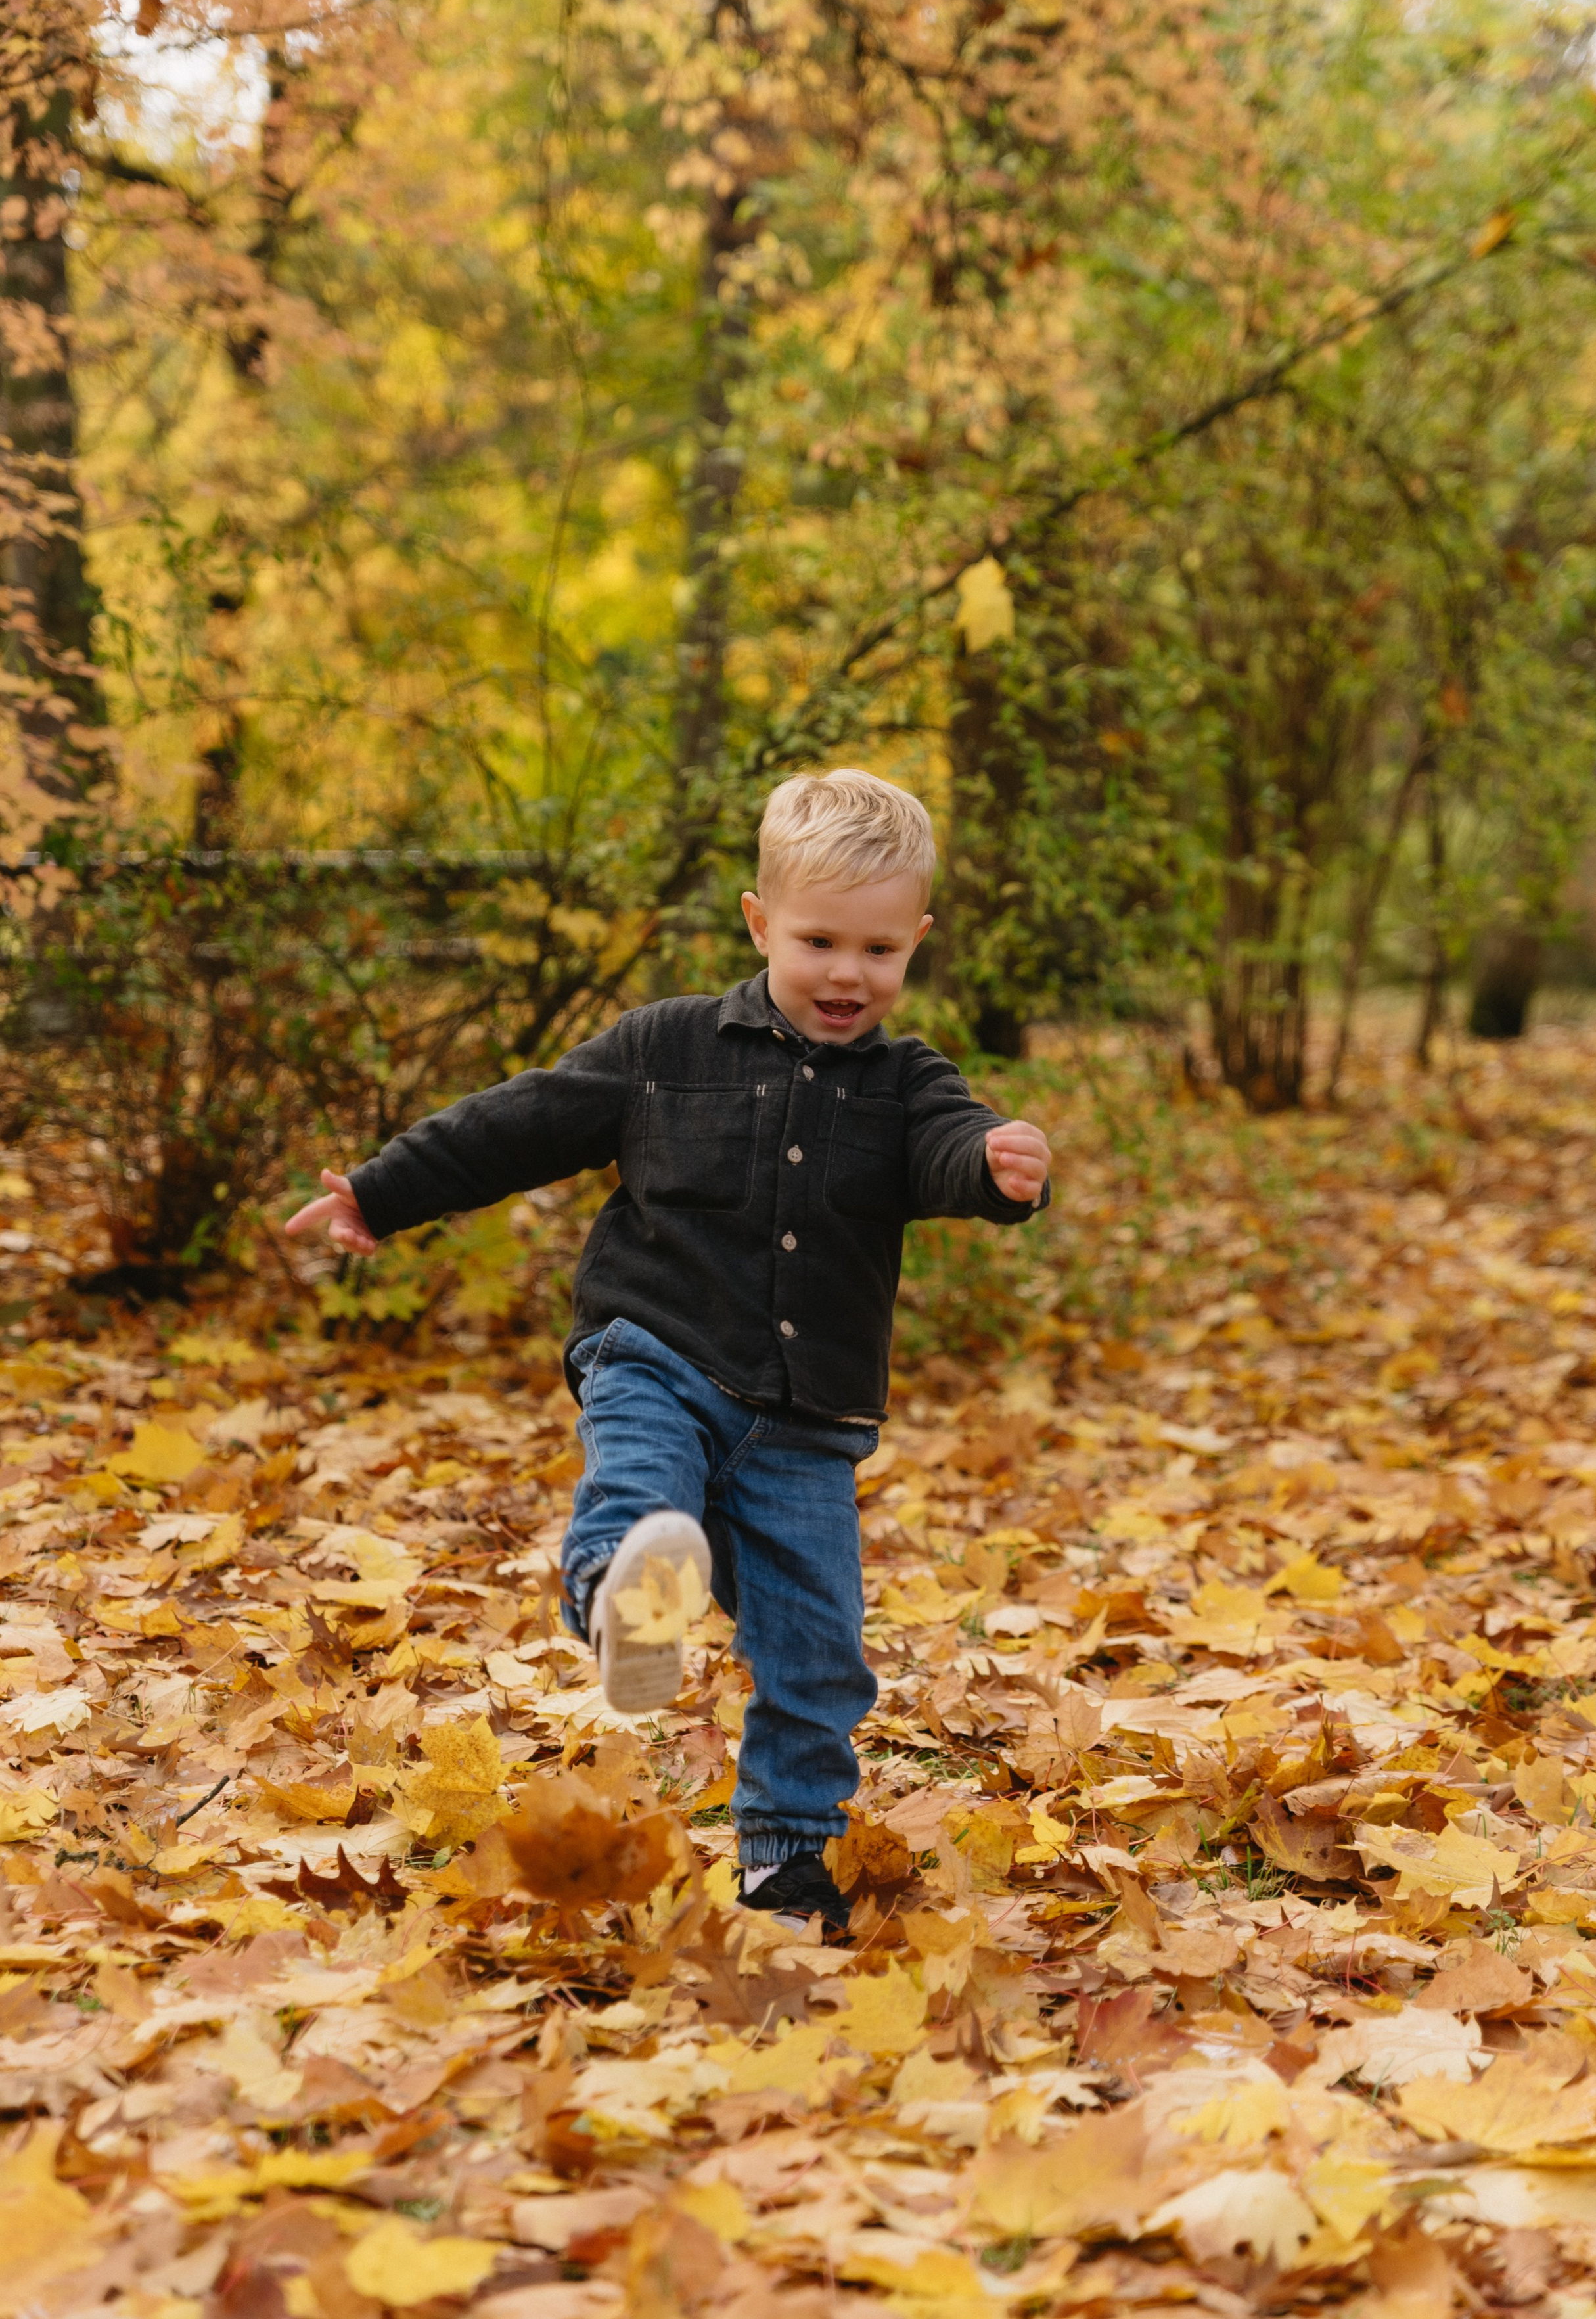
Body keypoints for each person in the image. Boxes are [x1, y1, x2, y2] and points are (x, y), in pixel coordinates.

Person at [285, 769, 1051, 1937]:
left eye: (880, 950)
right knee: (643, 1489)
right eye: (819, 941)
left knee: (819, 1648)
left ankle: (787, 1860)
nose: (849, 974)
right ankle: (620, 1605)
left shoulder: (909, 1086)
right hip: (660, 1353)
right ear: (760, 922)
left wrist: (995, 1163)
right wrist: (386, 1192)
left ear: (918, 944)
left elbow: (948, 1148)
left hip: (806, 1418)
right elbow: (529, 1117)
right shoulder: (668, 1047)